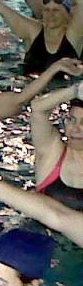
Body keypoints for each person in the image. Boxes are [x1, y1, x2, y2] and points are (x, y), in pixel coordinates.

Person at [30, 80, 83, 210]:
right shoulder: (52, 152)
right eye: (72, 120)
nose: (76, 129)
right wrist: (76, 90)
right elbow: (37, 109)